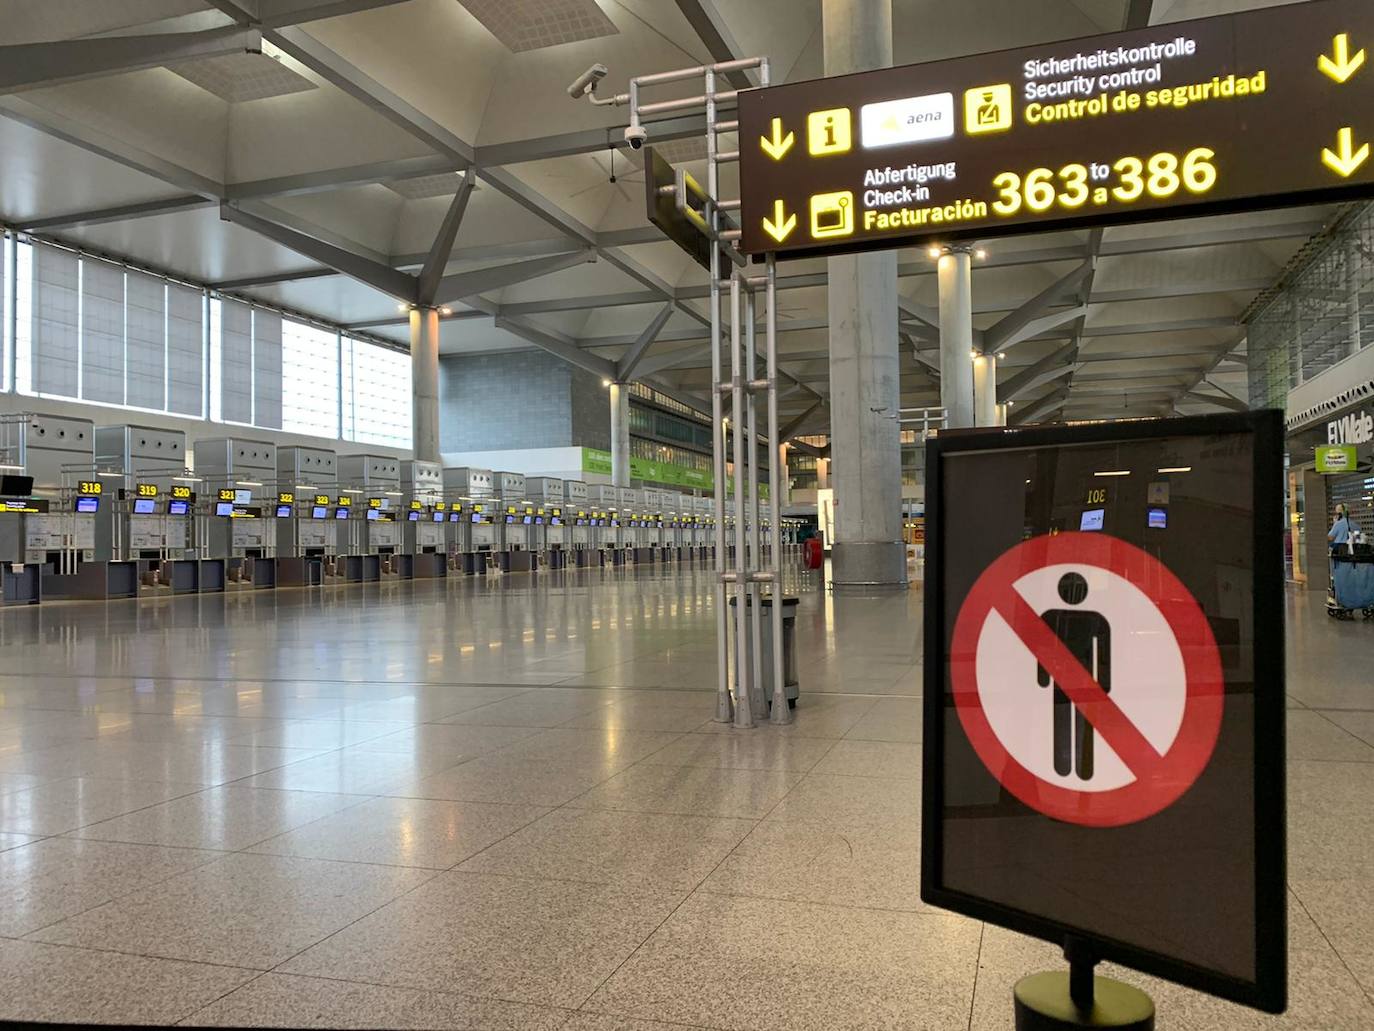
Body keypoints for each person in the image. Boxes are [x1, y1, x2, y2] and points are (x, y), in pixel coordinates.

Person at [1037, 572, 1111, 781]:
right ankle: (1074, 777)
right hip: (1077, 681)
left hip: (1065, 682)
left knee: (1064, 731)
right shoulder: (1093, 618)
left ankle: (1067, 776)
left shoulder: (1052, 616)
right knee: (1072, 731)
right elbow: (1101, 652)